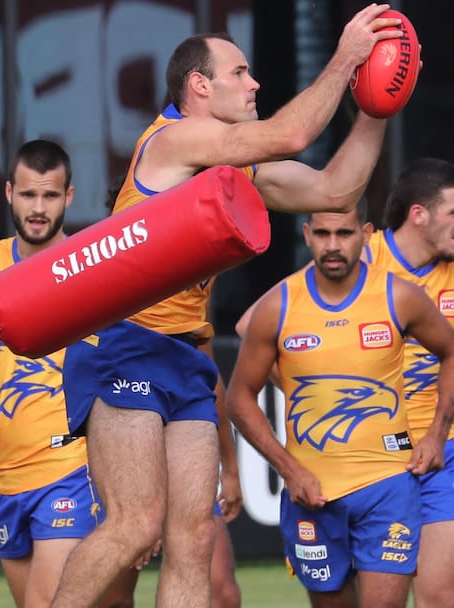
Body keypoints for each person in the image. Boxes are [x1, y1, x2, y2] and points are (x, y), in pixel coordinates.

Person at [53, 5, 405, 606]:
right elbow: (290, 134)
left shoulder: (234, 163)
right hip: (124, 345)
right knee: (137, 525)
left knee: (194, 536)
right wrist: (347, 58)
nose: (255, 83)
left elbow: (333, 190)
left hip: (186, 354)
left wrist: (377, 106)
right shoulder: (173, 139)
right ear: (199, 86)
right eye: (240, 74)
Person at [0, 140, 138, 608]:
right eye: (28, 195)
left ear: (69, 196)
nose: (39, 208)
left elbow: (134, 368)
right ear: (9, 193)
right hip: (6, 477)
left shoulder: (94, 263)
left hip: (73, 470)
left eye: (50, 196)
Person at [225, 202, 454, 607]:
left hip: (389, 485)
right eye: (324, 234)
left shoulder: (399, 297)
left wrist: (436, 433)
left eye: (344, 234)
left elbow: (450, 349)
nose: (333, 245)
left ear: (366, 235)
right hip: (311, 492)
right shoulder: (279, 307)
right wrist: (290, 470)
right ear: (307, 235)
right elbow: (238, 397)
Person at [361, 158, 454, 608]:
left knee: (438, 593)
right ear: (420, 214)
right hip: (369, 459)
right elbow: (271, 333)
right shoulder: (361, 258)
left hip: (444, 453)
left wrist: (437, 434)